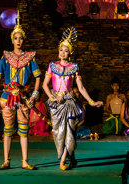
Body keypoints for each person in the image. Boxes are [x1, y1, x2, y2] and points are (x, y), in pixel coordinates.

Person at [42, 27, 103, 170]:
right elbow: (45, 85)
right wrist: (52, 97)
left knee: (70, 131)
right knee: (59, 133)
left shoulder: (74, 67)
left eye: (66, 50)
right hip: (55, 104)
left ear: (70, 53)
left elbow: (80, 88)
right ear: (58, 51)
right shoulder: (52, 66)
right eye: (61, 50)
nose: (63, 53)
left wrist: (92, 102)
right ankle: (72, 158)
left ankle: (62, 161)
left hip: (70, 103)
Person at [0, 10, 41, 170]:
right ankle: (6, 160)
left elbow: (38, 77)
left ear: (23, 40)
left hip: (24, 98)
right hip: (7, 97)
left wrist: (35, 94)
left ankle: (25, 161)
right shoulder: (6, 57)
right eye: (15, 38)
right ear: (12, 40)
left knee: (24, 129)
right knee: (7, 129)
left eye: (20, 38)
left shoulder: (30, 57)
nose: (18, 40)